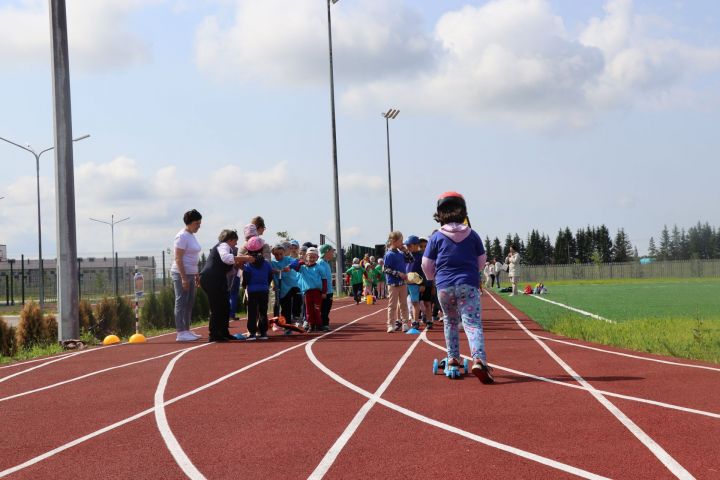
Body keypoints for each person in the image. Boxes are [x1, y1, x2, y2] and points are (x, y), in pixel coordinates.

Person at [422, 192, 493, 383]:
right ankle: (478, 359)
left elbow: (426, 264)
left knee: (450, 322)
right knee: (472, 324)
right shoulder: (473, 235)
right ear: (464, 212)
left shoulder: (436, 237)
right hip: (468, 285)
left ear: (440, 214)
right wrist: (472, 272)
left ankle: (453, 358)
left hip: (445, 286)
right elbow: (481, 261)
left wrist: (432, 278)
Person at [199, 229, 250, 342]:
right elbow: (226, 258)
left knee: (225, 306)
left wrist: (238, 263)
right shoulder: (223, 246)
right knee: (217, 306)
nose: (236, 244)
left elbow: (228, 267)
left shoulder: (226, 248)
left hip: (217, 279)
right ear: (230, 239)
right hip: (211, 279)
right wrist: (244, 258)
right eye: (235, 241)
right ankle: (214, 334)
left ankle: (224, 332)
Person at [171, 209, 203, 342]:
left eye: (200, 223)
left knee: (189, 303)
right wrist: (183, 278)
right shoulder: (182, 236)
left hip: (191, 273)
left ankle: (187, 329)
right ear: (189, 223)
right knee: (181, 302)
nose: (199, 226)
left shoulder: (191, 235)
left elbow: (193, 256)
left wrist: (196, 274)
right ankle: (181, 332)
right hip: (180, 274)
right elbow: (178, 258)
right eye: (197, 223)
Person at [242, 236, 274, 340]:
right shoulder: (266, 263)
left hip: (252, 291)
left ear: (248, 250)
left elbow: (246, 278)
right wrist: (266, 284)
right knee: (263, 311)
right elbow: (270, 275)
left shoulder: (248, 265)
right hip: (264, 290)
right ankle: (263, 333)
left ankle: (252, 333)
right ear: (261, 249)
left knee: (252, 312)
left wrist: (244, 285)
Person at [291, 247, 327, 332]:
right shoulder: (303, 267)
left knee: (317, 309)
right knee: (309, 310)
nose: (311, 259)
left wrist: (324, 292)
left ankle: (319, 325)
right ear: (306, 257)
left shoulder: (319, 268)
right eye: (310, 257)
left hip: (317, 292)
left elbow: (324, 280)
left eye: (314, 257)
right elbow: (294, 266)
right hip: (307, 292)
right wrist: (301, 262)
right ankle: (311, 325)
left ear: (317, 258)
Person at [383, 231, 414, 333]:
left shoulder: (401, 254)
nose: (402, 243)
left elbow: (411, 260)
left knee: (403, 304)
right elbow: (386, 269)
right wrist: (398, 274)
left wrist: (405, 251)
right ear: (393, 241)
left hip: (402, 284)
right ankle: (390, 324)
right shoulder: (389, 254)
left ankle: (405, 323)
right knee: (392, 305)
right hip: (393, 284)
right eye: (400, 240)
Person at [317, 244, 335, 331]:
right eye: (332, 251)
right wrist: (323, 291)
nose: (333, 253)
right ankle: (323, 324)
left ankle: (323, 323)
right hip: (324, 291)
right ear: (326, 252)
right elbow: (320, 277)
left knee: (327, 308)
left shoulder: (326, 262)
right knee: (324, 308)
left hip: (329, 290)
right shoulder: (320, 262)